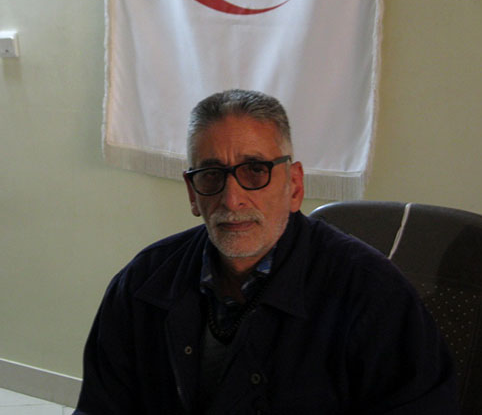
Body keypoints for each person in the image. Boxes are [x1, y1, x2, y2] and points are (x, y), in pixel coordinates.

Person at [74, 89, 459, 414]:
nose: (232, 199)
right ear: (193, 194)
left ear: (294, 187)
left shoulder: (374, 296)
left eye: (255, 171)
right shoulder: (143, 284)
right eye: (211, 175)